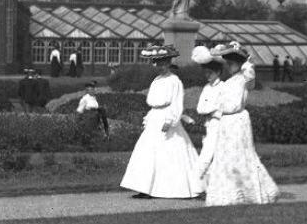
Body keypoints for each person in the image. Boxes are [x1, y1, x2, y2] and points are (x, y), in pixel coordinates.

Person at [193, 43, 278, 206]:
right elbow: (219, 103)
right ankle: (227, 193)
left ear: (239, 64)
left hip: (238, 120)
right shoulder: (229, 81)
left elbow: (251, 79)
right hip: (225, 121)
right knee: (225, 157)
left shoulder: (244, 78)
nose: (229, 66)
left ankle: (248, 191)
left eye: (232, 63)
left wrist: (247, 63)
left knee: (240, 155)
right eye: (228, 63)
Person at [119, 44, 203, 199]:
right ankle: (146, 188)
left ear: (169, 63)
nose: (160, 67)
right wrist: (149, 118)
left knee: (169, 152)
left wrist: (170, 120)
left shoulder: (174, 81)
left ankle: (177, 188)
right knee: (148, 152)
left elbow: (176, 102)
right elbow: (153, 101)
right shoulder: (156, 80)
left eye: (163, 63)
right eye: (157, 63)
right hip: (155, 117)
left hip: (166, 117)